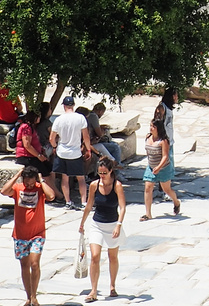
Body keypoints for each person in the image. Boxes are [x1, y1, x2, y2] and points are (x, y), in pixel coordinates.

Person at [7, 165, 56, 306]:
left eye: (32, 182)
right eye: (27, 182)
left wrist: (41, 181)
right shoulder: (17, 188)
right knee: (24, 265)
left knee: (34, 263)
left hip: (37, 234)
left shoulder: (40, 189)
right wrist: (16, 176)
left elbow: (51, 196)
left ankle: (34, 295)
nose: (29, 185)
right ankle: (28, 296)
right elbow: (4, 191)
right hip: (20, 234)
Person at [79, 154, 126, 301]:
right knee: (94, 256)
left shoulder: (117, 185)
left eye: (105, 173)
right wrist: (82, 223)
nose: (102, 175)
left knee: (112, 257)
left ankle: (112, 286)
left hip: (112, 224)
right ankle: (93, 290)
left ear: (111, 171)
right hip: (97, 224)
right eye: (100, 173)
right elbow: (89, 205)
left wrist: (119, 225)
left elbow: (123, 207)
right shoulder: (94, 185)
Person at [51, 95, 89, 209]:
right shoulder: (81, 118)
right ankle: (83, 202)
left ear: (64, 106)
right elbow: (86, 136)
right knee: (81, 178)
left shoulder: (58, 119)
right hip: (75, 152)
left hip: (62, 152)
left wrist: (55, 146)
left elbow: (51, 138)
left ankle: (68, 201)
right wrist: (88, 149)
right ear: (73, 105)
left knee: (65, 178)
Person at [140, 115, 180, 219]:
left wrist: (158, 167)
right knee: (148, 188)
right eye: (150, 126)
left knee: (166, 189)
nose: (151, 128)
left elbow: (165, 156)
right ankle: (148, 214)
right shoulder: (148, 137)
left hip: (163, 168)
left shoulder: (163, 141)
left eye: (153, 126)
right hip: (151, 167)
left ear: (158, 128)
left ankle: (176, 202)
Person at [13, 109, 49, 179]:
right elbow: (27, 145)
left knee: (49, 168)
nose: (39, 118)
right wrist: (38, 155)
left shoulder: (31, 127)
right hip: (26, 157)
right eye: (38, 117)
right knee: (45, 173)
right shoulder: (26, 127)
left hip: (33, 156)